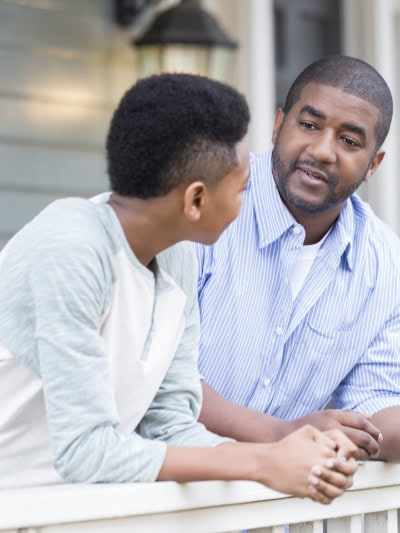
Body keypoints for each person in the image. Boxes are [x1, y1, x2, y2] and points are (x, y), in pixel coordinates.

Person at [0, 73, 358, 503]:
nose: (247, 205)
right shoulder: (70, 248)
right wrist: (261, 463)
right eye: (242, 189)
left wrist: (286, 456)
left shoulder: (174, 258)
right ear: (195, 201)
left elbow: (168, 423)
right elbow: (84, 451)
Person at [196, 55, 400, 462]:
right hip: (153, 494)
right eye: (309, 125)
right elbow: (162, 376)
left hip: (273, 514)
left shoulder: (387, 267)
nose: (323, 151)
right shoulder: (203, 205)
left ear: (373, 165)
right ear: (278, 125)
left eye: (349, 141)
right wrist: (281, 434)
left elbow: (378, 399)